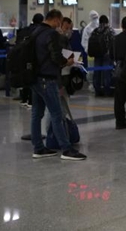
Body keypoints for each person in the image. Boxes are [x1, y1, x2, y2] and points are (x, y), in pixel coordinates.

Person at [30, 9, 86, 160]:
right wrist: (67, 62)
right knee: (57, 114)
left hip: (35, 78)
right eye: (59, 22)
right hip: (47, 79)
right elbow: (56, 57)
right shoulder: (51, 34)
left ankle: (38, 148)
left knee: (36, 114)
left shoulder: (35, 32)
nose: (59, 26)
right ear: (55, 19)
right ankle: (66, 149)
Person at [16, 13, 44, 107]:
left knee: (26, 78)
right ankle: (31, 101)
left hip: (22, 58)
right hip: (33, 58)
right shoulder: (38, 31)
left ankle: (24, 99)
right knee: (33, 80)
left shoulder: (24, 30)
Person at [92, 15, 115, 97]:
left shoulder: (95, 31)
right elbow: (114, 42)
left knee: (97, 72)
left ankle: (97, 90)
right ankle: (107, 90)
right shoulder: (110, 30)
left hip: (97, 55)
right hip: (107, 55)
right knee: (107, 73)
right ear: (107, 22)